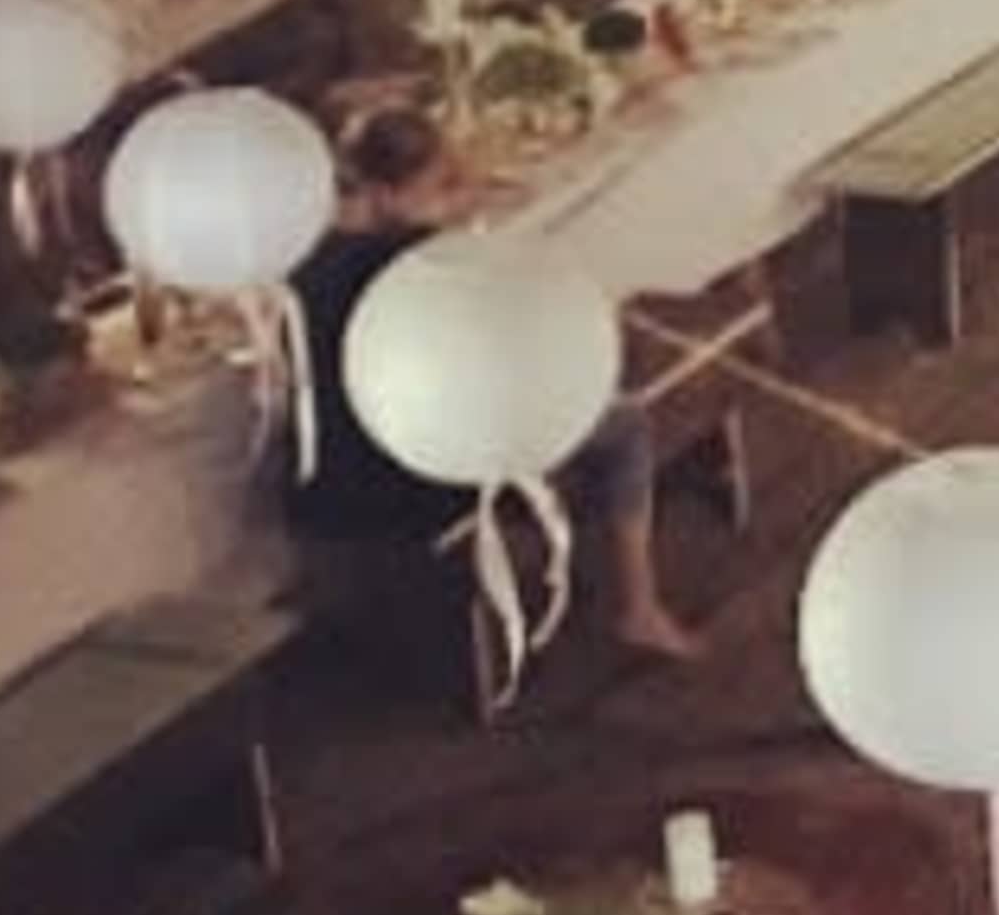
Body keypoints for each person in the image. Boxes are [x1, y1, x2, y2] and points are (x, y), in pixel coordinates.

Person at [285, 103, 703, 660]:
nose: (449, 197)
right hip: (419, 466)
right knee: (625, 424)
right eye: (439, 184)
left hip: (331, 464)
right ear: (387, 194)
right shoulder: (422, 263)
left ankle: (588, 556)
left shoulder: (307, 258)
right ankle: (640, 605)